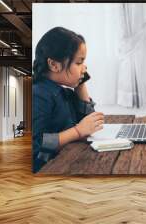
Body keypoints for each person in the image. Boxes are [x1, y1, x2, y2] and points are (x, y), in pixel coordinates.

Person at [32, 27, 104, 173]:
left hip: (68, 158)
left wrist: (81, 83)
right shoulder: (39, 95)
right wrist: (77, 131)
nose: (84, 68)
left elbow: (89, 122)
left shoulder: (64, 92)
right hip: (48, 168)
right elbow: (38, 143)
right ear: (54, 65)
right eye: (78, 63)